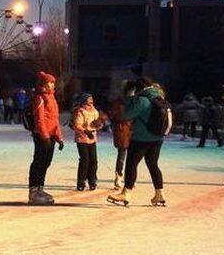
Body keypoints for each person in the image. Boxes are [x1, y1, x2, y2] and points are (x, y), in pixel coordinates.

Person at [108, 78, 168, 207]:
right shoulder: (159, 98)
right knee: (153, 165)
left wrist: (129, 98)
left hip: (141, 138)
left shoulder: (142, 100)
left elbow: (126, 116)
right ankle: (159, 193)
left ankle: (126, 193)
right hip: (157, 138)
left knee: (131, 165)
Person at [27, 71, 64, 205]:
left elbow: (55, 120)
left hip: (51, 135)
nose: (53, 85)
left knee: (46, 163)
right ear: (44, 83)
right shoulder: (40, 98)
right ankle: (33, 191)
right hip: (42, 135)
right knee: (39, 162)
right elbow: (40, 119)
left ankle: (40, 188)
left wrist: (59, 137)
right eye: (51, 82)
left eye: (54, 82)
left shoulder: (52, 98)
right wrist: (45, 137)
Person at [70, 92, 105, 191]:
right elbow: (77, 125)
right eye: (89, 99)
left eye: (92, 98)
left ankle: (92, 180)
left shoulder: (94, 110)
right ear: (84, 100)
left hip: (92, 138)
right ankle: (81, 181)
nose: (91, 100)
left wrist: (99, 124)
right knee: (85, 160)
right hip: (82, 138)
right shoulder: (81, 111)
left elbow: (99, 123)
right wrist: (85, 131)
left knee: (93, 160)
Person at [108, 81, 135, 190]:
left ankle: (130, 179)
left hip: (133, 131)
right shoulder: (119, 103)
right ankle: (118, 176)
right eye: (131, 91)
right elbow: (115, 115)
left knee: (133, 157)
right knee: (122, 155)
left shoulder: (136, 102)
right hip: (122, 130)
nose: (133, 93)